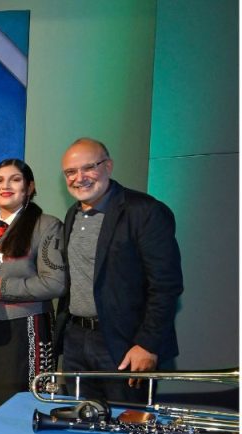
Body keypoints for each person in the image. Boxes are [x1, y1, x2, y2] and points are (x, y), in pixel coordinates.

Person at [55, 138, 183, 401]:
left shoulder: (145, 211)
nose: (79, 178)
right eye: (70, 172)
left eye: (89, 167)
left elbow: (166, 286)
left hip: (125, 345)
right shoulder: (72, 215)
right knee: (80, 428)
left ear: (109, 166)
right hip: (76, 342)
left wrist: (147, 344)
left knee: (125, 430)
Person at [0, 159, 65, 418]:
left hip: (26, 329)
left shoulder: (46, 225)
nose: (6, 186)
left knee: (22, 408)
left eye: (15, 179)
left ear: (29, 187)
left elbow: (54, 283)